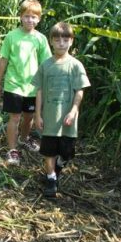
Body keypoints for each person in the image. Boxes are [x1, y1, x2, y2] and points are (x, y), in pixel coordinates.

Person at [33, 22, 91, 197]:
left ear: (71, 41)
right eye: (57, 39)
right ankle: (51, 179)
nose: (61, 43)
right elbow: (39, 91)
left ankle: (58, 166)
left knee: (67, 152)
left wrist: (74, 110)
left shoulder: (75, 65)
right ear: (51, 41)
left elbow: (79, 90)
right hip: (50, 118)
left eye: (65, 39)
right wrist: (37, 115)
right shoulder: (45, 65)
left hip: (67, 119)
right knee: (48, 150)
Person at [0, 0, 52, 165]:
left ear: (39, 19)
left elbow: (45, 64)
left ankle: (24, 138)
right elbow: (3, 60)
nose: (30, 20)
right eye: (26, 16)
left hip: (32, 88)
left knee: (29, 117)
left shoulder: (40, 39)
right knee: (15, 118)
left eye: (34, 17)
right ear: (20, 17)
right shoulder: (12, 37)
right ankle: (12, 150)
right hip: (14, 85)